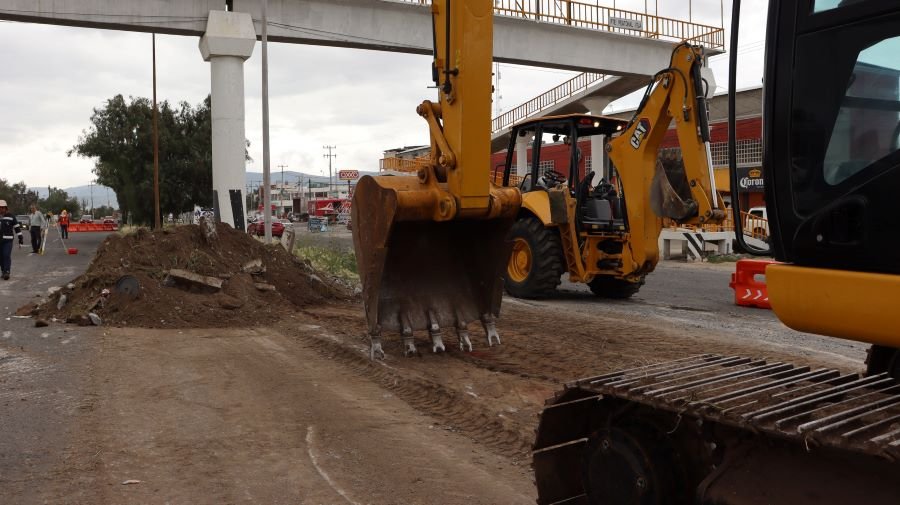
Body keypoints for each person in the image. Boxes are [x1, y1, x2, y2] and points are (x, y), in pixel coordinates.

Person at [0, 200, 24, 280]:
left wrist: (20, 238)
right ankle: (3, 271)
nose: (1, 209)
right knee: (1, 257)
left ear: (6, 208)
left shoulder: (11, 216)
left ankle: (7, 272)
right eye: (0, 208)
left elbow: (17, 227)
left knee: (6, 255)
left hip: (8, 240)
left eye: (2, 208)